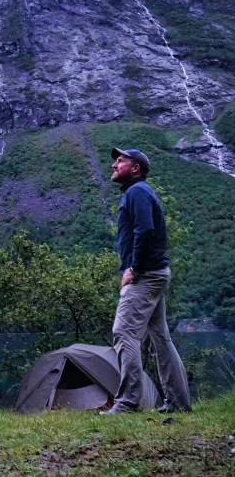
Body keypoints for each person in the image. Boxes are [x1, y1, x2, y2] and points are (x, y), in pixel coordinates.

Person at [100, 147, 192, 415]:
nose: (114, 165)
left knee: (124, 332)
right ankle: (177, 401)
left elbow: (145, 229)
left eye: (120, 161)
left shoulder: (137, 192)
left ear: (135, 167)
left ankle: (128, 402)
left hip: (146, 275)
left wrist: (134, 269)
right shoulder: (137, 192)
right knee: (160, 338)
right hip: (156, 273)